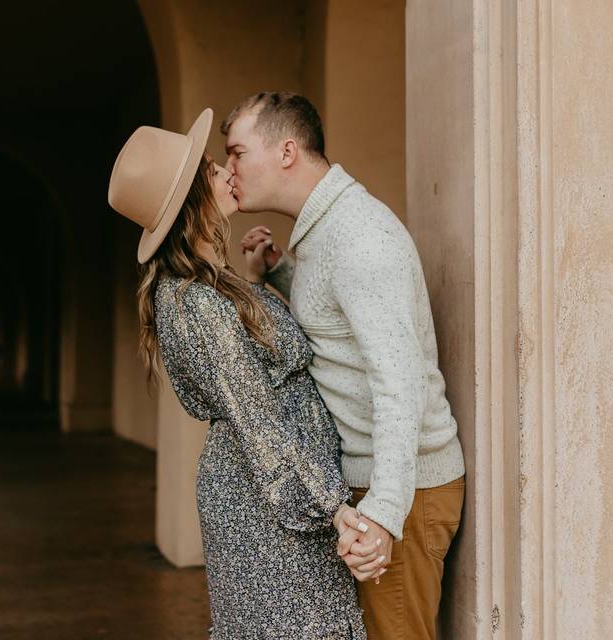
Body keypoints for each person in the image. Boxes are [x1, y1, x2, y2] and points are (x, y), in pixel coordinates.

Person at [108, 108, 368, 639]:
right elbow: (257, 415)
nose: (224, 171)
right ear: (189, 202)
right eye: (207, 170)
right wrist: (332, 506)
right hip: (266, 495)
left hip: (267, 483)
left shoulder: (209, 285)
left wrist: (260, 281)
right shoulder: (196, 301)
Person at [230, 92, 466, 640]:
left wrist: (383, 513)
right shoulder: (326, 229)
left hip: (401, 492)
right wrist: (280, 273)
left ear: (286, 151)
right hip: (370, 486)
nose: (230, 167)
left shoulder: (360, 237)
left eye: (238, 151)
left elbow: (398, 382)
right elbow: (345, 324)